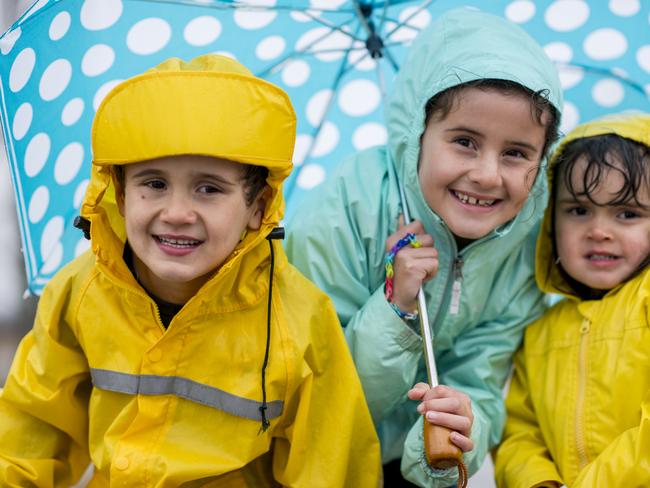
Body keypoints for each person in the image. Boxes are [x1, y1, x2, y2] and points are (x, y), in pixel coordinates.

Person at [0, 54, 381, 487]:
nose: (177, 213)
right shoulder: (80, 291)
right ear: (121, 196)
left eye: (209, 189)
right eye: (154, 183)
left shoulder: (299, 320)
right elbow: (30, 433)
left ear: (258, 208)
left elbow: (333, 469)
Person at [286, 8, 562, 487]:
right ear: (418, 134)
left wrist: (458, 432)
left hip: (410, 465)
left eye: (516, 153)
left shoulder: (526, 244)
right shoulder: (345, 210)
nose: (487, 175)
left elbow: (483, 379)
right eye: (464, 142)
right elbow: (316, 391)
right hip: (314, 459)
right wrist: (395, 306)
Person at [494, 113, 650, 487]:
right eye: (579, 210)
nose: (599, 231)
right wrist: (537, 481)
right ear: (550, 221)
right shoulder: (539, 331)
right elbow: (519, 432)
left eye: (627, 213)